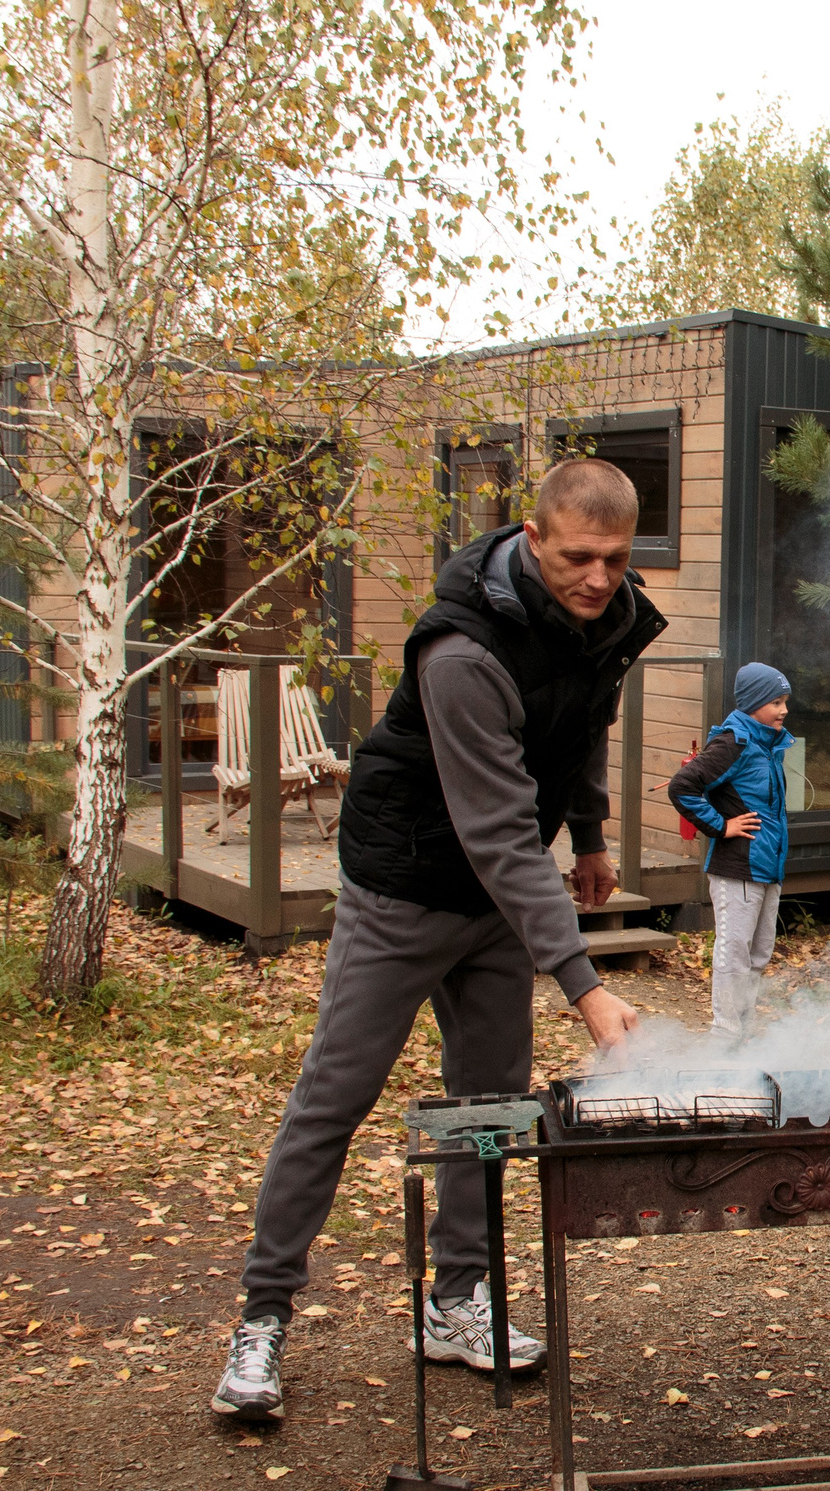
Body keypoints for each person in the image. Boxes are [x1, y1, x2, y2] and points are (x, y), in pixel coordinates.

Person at [212, 458, 661, 1423]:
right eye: (578, 556)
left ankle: (456, 1302)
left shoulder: (605, 618)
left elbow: (582, 724)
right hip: (405, 886)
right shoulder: (462, 649)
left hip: (498, 905)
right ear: (532, 537)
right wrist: (584, 983)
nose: (598, 578)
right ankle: (263, 1315)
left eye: (616, 560)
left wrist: (587, 835)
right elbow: (496, 831)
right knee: (335, 1095)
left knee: (489, 1108)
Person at [667, 664, 795, 1044]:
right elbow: (683, 786)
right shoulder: (733, 742)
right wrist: (722, 827)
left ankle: (744, 1030)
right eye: (776, 701)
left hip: (768, 867)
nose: (784, 709)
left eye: (785, 700)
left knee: (759, 954)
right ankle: (725, 1033)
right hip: (736, 867)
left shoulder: (768, 743)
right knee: (734, 953)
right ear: (754, 702)